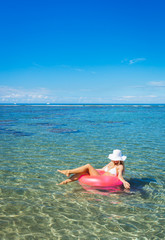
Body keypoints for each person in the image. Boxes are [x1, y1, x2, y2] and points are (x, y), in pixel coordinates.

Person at [57, 149, 130, 189]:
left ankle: (68, 171)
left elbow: (120, 176)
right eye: (114, 159)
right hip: (100, 175)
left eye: (116, 159)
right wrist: (90, 170)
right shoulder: (111, 163)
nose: (115, 160)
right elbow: (102, 169)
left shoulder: (120, 166)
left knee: (88, 165)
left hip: (103, 178)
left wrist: (124, 182)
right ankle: (65, 181)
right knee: (83, 172)